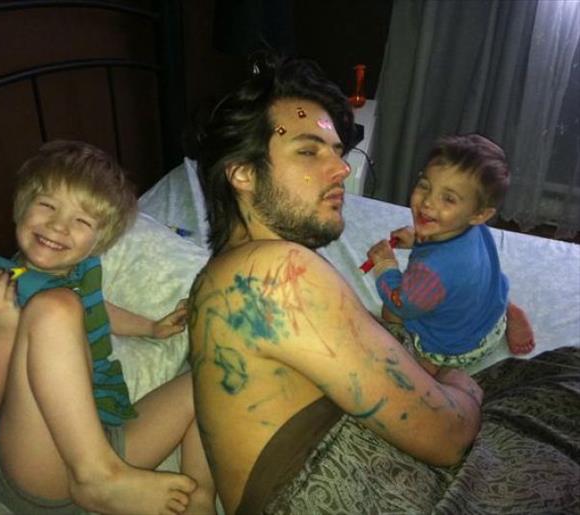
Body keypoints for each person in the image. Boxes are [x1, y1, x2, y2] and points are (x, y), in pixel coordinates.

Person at [187, 54, 484, 515]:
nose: (342, 169)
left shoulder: (238, 270)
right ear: (243, 173)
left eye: (337, 151)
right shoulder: (274, 274)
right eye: (309, 151)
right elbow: (449, 438)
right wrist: (465, 386)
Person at [0, 140, 215, 515]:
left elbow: (98, 311)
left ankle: (199, 497)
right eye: (47, 205)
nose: (58, 225)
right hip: (31, 466)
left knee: (210, 376)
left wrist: (150, 328)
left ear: (101, 240)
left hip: (105, 438)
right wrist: (2, 333)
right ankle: (97, 476)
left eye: (81, 221)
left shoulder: (83, 273)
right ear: (21, 206)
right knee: (56, 307)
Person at [365, 134, 535, 375]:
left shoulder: (431, 273)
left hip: (457, 348)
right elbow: (452, 256)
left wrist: (385, 265)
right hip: (491, 316)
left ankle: (431, 367)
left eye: (448, 199)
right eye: (425, 186)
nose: (427, 203)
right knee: (477, 282)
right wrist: (418, 240)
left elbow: (401, 303)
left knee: (390, 313)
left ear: (479, 214)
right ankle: (508, 308)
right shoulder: (472, 227)